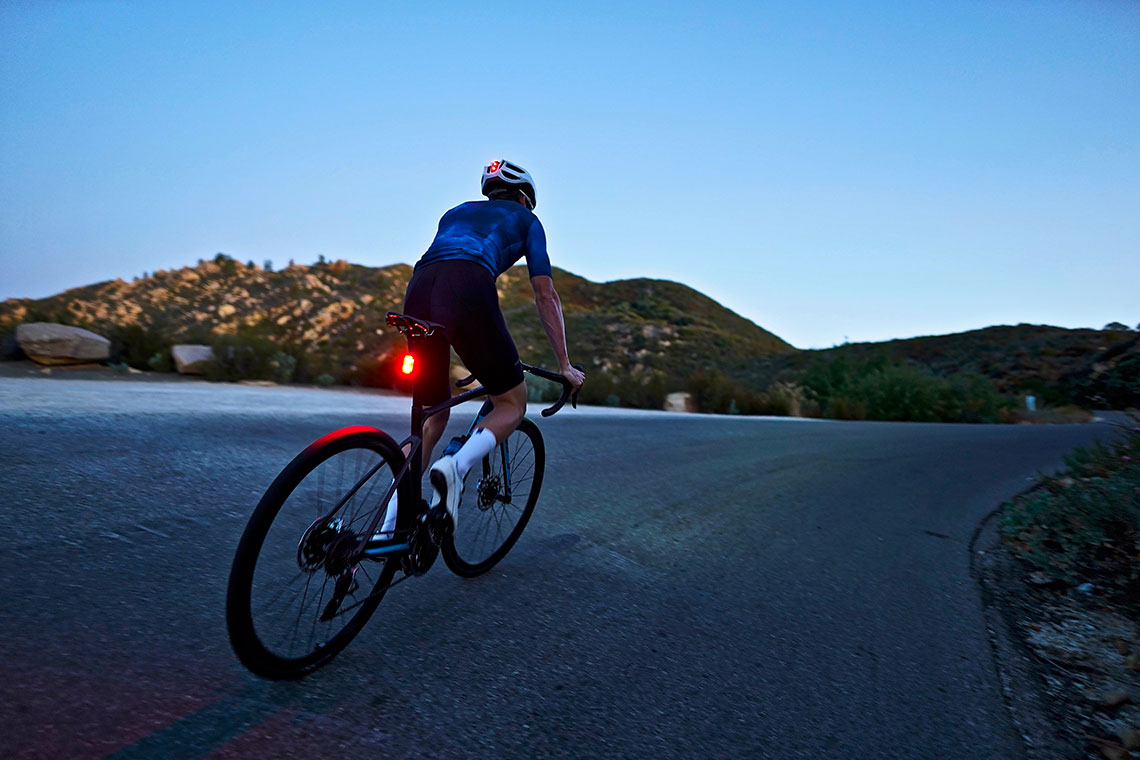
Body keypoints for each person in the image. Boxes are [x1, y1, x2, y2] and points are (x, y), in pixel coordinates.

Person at [379, 159, 585, 536]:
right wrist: (565, 366)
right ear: (524, 199)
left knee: (430, 418)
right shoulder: (528, 221)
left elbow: (446, 272)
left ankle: (385, 524)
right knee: (511, 403)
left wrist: (476, 346)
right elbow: (545, 294)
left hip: (419, 288)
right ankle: (455, 467)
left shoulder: (454, 213)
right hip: (468, 288)